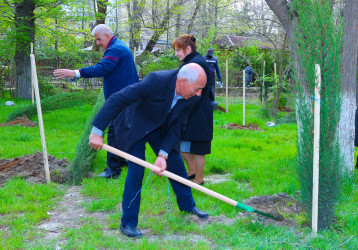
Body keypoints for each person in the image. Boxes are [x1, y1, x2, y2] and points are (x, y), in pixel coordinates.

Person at [88, 63, 209, 238]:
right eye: (198, 89)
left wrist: (163, 154)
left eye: (201, 89)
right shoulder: (156, 80)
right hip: (136, 125)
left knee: (176, 164)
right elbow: (118, 98)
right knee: (136, 171)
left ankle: (188, 206)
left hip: (161, 127)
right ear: (183, 81)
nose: (200, 93)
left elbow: (177, 127)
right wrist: (97, 131)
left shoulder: (194, 95)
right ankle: (128, 223)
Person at [53, 24, 138, 179]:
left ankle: (113, 170)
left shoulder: (115, 49)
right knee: (120, 130)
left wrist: (75, 73)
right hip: (125, 96)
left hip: (121, 98)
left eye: (98, 39)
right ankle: (121, 161)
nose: (97, 43)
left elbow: (101, 69)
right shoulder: (118, 46)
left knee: (113, 131)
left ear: (107, 35)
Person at [172, 34, 212, 186]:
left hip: (199, 110)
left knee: (198, 146)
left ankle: (199, 179)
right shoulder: (191, 61)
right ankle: (192, 170)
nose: (176, 54)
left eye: (177, 50)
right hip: (190, 109)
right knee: (182, 142)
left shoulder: (196, 63)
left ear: (187, 49)